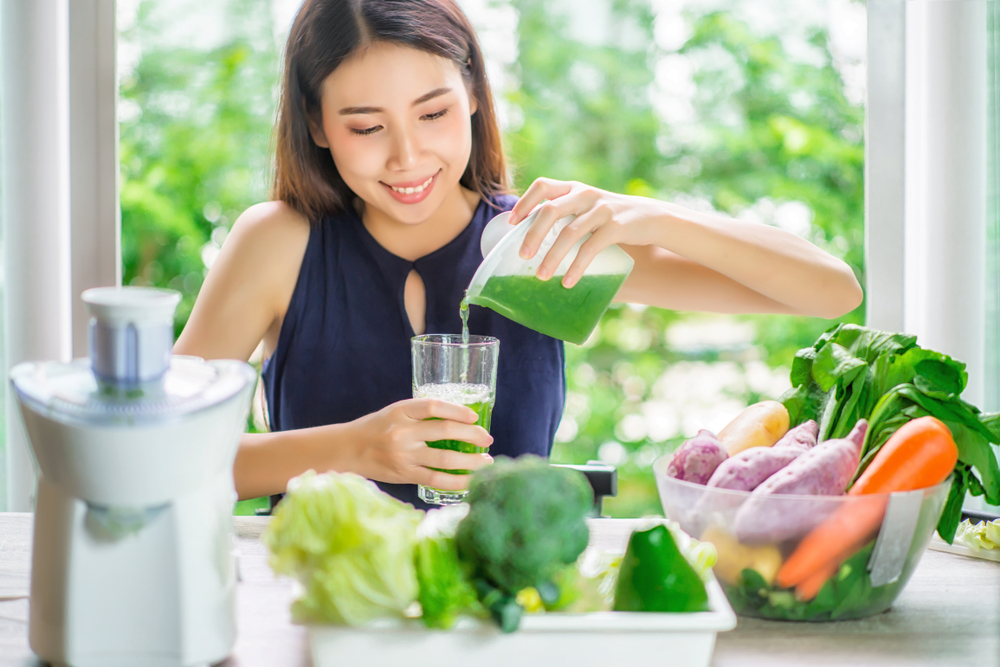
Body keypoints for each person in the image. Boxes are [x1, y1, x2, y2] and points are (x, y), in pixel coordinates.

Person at [173, 0, 863, 509]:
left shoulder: (537, 242)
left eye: (434, 113)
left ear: (473, 93)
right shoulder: (278, 243)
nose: (407, 156)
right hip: (318, 605)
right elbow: (155, 455)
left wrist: (654, 217)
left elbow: (829, 291)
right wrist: (352, 447)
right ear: (317, 123)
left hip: (505, 602)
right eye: (366, 127)